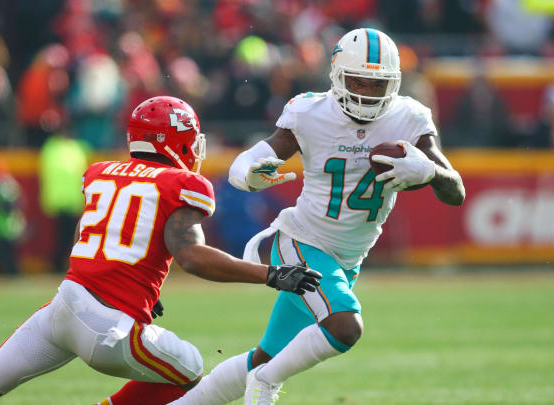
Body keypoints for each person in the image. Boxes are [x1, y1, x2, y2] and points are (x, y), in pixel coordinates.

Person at [0, 96, 321, 405]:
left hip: (63, 306)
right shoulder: (182, 182)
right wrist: (270, 274)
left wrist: (139, 284)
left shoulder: (100, 172)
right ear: (177, 140)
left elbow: (98, 237)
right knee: (190, 368)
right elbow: (192, 257)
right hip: (108, 325)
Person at [168, 28, 466, 405]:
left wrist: (430, 173)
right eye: (359, 80)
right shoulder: (310, 111)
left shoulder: (410, 117)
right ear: (338, 74)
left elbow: (455, 192)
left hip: (346, 259)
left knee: (266, 354)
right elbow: (255, 156)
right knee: (344, 325)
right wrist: (247, 173)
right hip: (300, 240)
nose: (368, 92)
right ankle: (266, 384)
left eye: (378, 83)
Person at [39, 131, 89, 272]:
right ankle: (60, 264)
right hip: (67, 200)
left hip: (61, 200)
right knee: (66, 236)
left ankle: (59, 264)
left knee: (63, 236)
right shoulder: (76, 149)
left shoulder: (51, 149)